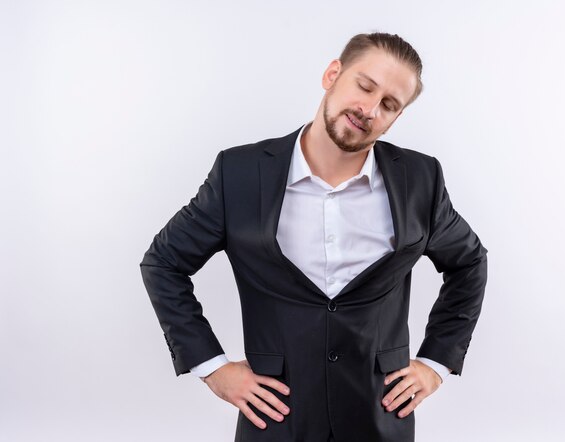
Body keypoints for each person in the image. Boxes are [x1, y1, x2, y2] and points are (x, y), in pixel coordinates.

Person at [140, 32, 488, 442]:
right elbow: (164, 263)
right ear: (332, 74)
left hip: (380, 417)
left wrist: (436, 363)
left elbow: (469, 262)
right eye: (365, 86)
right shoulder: (239, 172)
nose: (370, 109)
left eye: (390, 105)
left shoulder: (420, 179)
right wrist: (212, 367)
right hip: (274, 417)